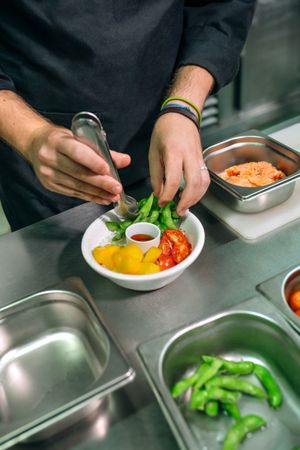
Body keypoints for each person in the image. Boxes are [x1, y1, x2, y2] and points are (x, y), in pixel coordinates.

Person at [0, 1, 256, 231]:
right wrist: (32, 136)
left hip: (165, 120)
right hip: (41, 150)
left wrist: (183, 105)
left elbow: (224, 6)